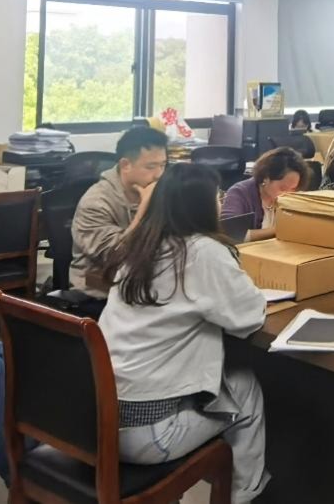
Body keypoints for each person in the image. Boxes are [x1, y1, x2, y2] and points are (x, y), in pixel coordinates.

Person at [99, 163, 269, 504]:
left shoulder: (138, 248)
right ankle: (241, 498)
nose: (221, 202)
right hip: (150, 435)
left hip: (97, 422)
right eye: (217, 197)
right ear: (202, 205)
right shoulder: (202, 251)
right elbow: (250, 316)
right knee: (244, 387)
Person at [71, 126, 169, 299]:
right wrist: (144, 209)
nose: (159, 175)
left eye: (163, 165)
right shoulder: (95, 202)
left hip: (148, 283)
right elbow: (116, 258)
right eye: (151, 167)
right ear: (125, 165)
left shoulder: (159, 191)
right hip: (99, 293)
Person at [222, 147, 310, 242]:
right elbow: (231, 234)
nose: (287, 194)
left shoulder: (294, 197)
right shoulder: (240, 193)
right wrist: (277, 230)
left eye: (293, 188)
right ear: (266, 178)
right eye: (283, 188)